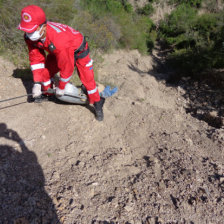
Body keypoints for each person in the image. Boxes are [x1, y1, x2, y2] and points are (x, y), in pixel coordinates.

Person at [17, 5, 105, 121]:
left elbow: (67, 67)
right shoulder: (29, 37)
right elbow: (36, 59)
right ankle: (47, 93)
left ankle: (98, 103)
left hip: (78, 50)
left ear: (43, 27)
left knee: (88, 80)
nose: (28, 33)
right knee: (44, 73)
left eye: (31, 30)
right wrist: (37, 83)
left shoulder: (59, 40)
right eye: (26, 30)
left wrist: (62, 87)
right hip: (56, 51)